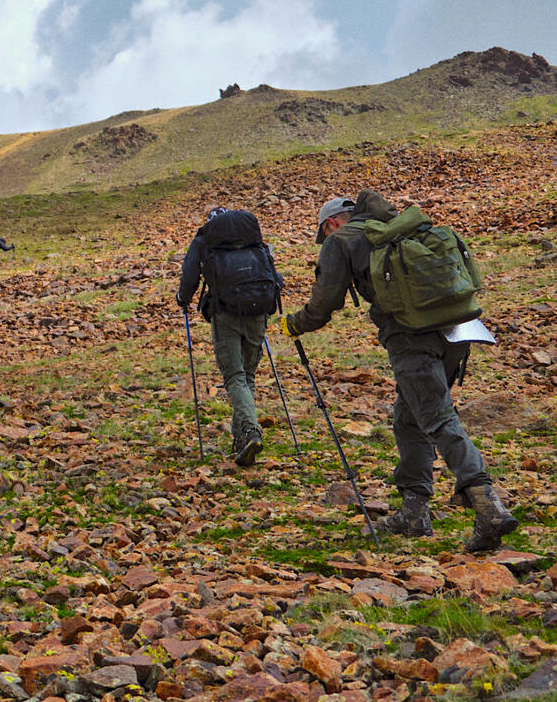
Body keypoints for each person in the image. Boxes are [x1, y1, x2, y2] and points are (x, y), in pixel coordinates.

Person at [282, 191, 519, 553]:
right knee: (408, 418)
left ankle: (488, 506)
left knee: (436, 416)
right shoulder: (399, 229)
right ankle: (414, 512)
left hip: (411, 335)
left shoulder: (342, 241)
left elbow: (324, 304)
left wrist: (294, 325)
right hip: (459, 328)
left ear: (331, 223)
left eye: (324, 233)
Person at [177, 207, 283, 466]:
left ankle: (250, 431)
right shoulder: (253, 239)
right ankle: (241, 439)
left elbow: (190, 274)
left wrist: (183, 298)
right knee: (247, 376)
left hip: (225, 313)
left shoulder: (205, 239)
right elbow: (274, 275)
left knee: (234, 376)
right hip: (258, 310)